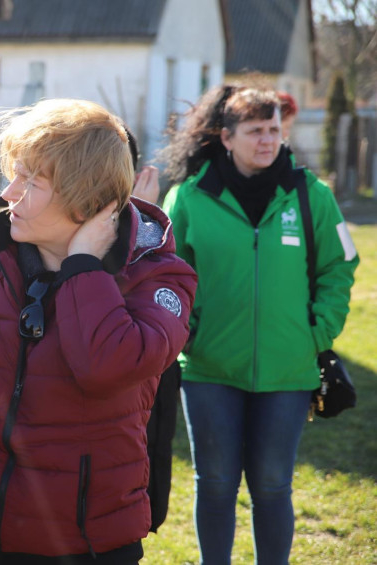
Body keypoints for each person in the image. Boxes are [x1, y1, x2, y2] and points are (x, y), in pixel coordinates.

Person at [0, 98, 197, 564]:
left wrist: (83, 265)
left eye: (31, 181)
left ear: (86, 200)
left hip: (79, 541)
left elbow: (107, 367)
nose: (9, 193)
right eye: (14, 174)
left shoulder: (158, 276)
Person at [160, 85, 359, 564]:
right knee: (215, 483)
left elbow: (340, 265)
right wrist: (188, 333)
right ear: (227, 138)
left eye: (273, 129)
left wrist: (316, 332)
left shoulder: (311, 195)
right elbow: (165, 273)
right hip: (209, 369)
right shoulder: (188, 198)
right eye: (255, 131)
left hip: (288, 371)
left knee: (272, 485)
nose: (268, 139)